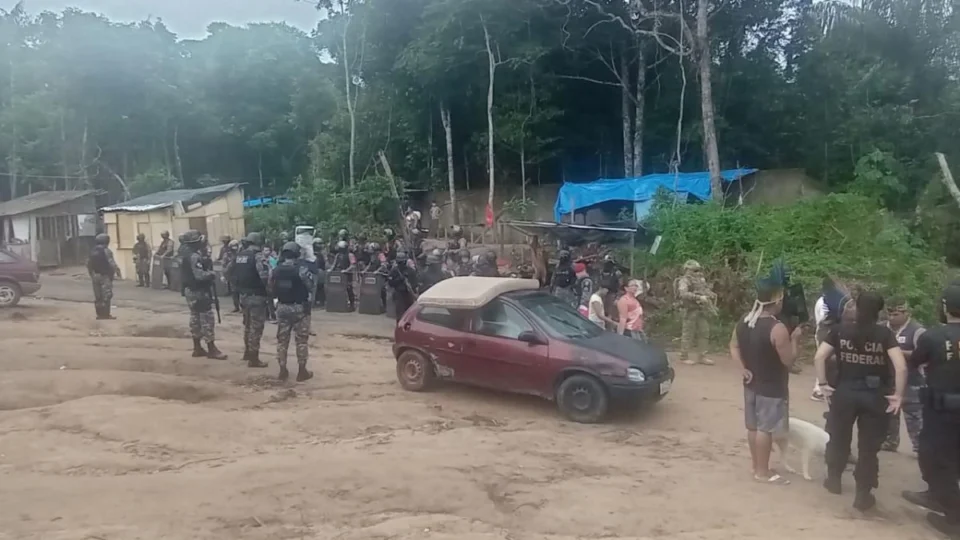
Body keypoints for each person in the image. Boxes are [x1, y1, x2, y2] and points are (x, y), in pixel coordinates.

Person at [814, 291, 906, 511]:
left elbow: (819, 356)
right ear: (879, 311)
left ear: (857, 308)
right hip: (875, 395)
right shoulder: (884, 334)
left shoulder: (840, 330)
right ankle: (863, 494)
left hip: (845, 391)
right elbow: (901, 366)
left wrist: (823, 383)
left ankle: (834, 480)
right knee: (868, 448)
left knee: (838, 437)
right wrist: (898, 395)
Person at [730, 278, 802, 485]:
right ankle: (762, 471)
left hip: (750, 382)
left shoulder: (745, 320)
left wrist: (742, 368)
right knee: (766, 429)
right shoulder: (777, 328)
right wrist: (795, 340)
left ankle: (756, 465)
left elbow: (733, 346)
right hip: (771, 385)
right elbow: (788, 361)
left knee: (753, 427)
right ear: (776, 302)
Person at [902, 283, 960, 536]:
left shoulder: (934, 336)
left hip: (941, 410)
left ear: (945, 306)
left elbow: (914, 362)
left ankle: (953, 517)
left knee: (935, 457)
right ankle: (937, 496)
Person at [881, 298, 926, 453]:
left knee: (913, 414)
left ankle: (920, 446)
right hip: (887, 377)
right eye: (890, 314)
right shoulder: (882, 328)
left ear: (906, 313)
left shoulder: (917, 330)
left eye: (896, 314)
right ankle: (890, 440)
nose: (892, 318)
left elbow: (923, 355)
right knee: (888, 412)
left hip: (911, 378)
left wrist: (898, 353)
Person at [179, 230, 228, 360]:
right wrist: (211, 274)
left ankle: (197, 347)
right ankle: (211, 349)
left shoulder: (184, 254)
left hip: (190, 290)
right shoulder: (194, 256)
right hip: (199, 291)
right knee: (207, 319)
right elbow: (199, 275)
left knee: (195, 318)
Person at [270, 242, 315, 382]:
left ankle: (282, 370)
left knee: (282, 341)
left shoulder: (276, 270)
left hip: (282, 307)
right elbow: (311, 286)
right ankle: (302, 371)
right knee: (301, 340)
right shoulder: (301, 269)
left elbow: (270, 288)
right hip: (299, 308)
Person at [235, 232, 271, 368]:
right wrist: (269, 289)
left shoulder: (239, 256)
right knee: (256, 327)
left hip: (243, 295)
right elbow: (264, 276)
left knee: (248, 325)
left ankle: (247, 352)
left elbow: (229, 272)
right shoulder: (257, 257)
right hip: (257, 296)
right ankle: (254, 358)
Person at [676, 259, 717, 366]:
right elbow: (683, 294)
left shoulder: (700, 280)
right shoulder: (684, 281)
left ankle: (702, 356)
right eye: (694, 270)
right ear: (687, 270)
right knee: (688, 334)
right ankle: (683, 356)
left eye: (697, 270)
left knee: (704, 332)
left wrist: (710, 294)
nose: (696, 272)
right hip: (690, 310)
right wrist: (698, 297)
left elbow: (705, 290)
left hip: (701, 309)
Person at [87, 233, 120, 320]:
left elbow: (88, 264)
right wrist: (117, 271)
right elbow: (111, 263)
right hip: (105, 276)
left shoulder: (93, 250)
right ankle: (106, 315)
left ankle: (99, 315)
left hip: (95, 276)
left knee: (98, 296)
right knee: (107, 296)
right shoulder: (106, 251)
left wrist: (92, 274)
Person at [387, 251, 419, 322]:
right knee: (400, 313)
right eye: (399, 262)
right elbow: (390, 283)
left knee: (409, 313)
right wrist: (399, 280)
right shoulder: (394, 271)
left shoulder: (410, 271)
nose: (401, 264)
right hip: (399, 294)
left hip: (408, 294)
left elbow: (415, 283)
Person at [222, 239, 241, 312]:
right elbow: (224, 265)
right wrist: (224, 274)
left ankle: (242, 306)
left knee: (241, 291)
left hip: (240, 274)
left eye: (236, 246)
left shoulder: (240, 253)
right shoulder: (227, 254)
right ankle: (236, 306)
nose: (235, 248)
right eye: (233, 246)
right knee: (234, 292)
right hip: (232, 275)